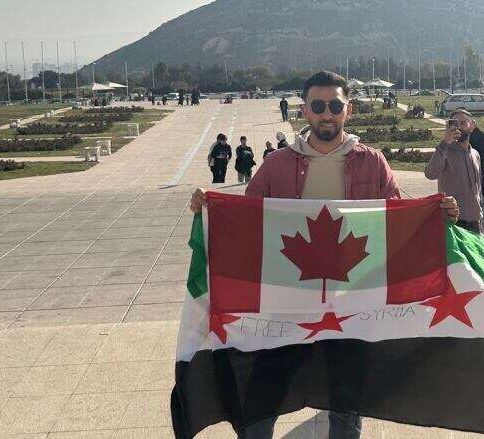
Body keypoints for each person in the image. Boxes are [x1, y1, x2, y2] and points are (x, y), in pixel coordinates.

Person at [189, 71, 458, 439]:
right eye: (318, 106)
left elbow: (398, 219)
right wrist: (209, 210)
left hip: (351, 302)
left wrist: (436, 217)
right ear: (305, 111)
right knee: (263, 396)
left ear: (347, 110)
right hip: (287, 300)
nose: (326, 113)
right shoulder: (277, 164)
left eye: (334, 105)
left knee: (346, 403)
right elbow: (245, 222)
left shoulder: (372, 162)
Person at [425, 110, 483, 233]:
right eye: (454, 124)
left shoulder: (475, 154)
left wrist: (479, 210)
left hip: (475, 220)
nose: (459, 128)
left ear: (472, 126)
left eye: (463, 123)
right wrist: (445, 142)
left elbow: (478, 188)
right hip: (453, 221)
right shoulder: (444, 152)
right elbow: (430, 174)